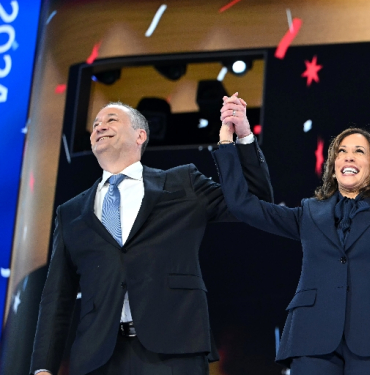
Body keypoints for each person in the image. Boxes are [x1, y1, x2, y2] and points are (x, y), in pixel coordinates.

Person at [211, 77, 370, 374]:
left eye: (359, 151)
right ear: (333, 166)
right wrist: (234, 138)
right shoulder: (309, 213)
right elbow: (243, 205)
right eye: (341, 151)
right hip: (313, 339)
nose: (348, 155)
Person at [30, 95, 274, 375]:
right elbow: (57, 297)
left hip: (173, 352)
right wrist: (42, 368)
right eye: (95, 124)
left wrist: (241, 136)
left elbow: (255, 201)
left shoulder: (183, 182)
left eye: (111, 120)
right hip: (98, 358)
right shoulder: (70, 212)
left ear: (140, 135)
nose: (99, 127)